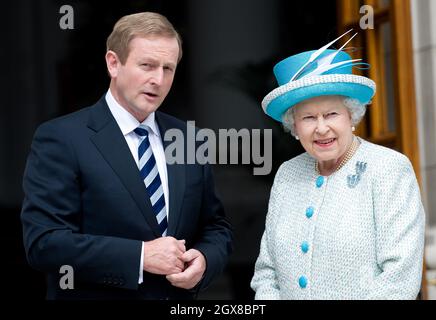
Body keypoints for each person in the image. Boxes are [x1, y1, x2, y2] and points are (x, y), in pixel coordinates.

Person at [21, 12, 233, 299]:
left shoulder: (188, 137)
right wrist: (140, 256)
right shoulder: (61, 138)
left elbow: (215, 226)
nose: (158, 79)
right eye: (147, 65)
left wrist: (205, 260)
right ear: (113, 63)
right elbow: (44, 243)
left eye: (168, 68)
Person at [250, 31, 425, 299]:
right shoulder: (287, 174)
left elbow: (399, 279)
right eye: (308, 117)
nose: (321, 128)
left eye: (331, 114)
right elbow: (266, 272)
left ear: (351, 115)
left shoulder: (388, 169)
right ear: (294, 126)